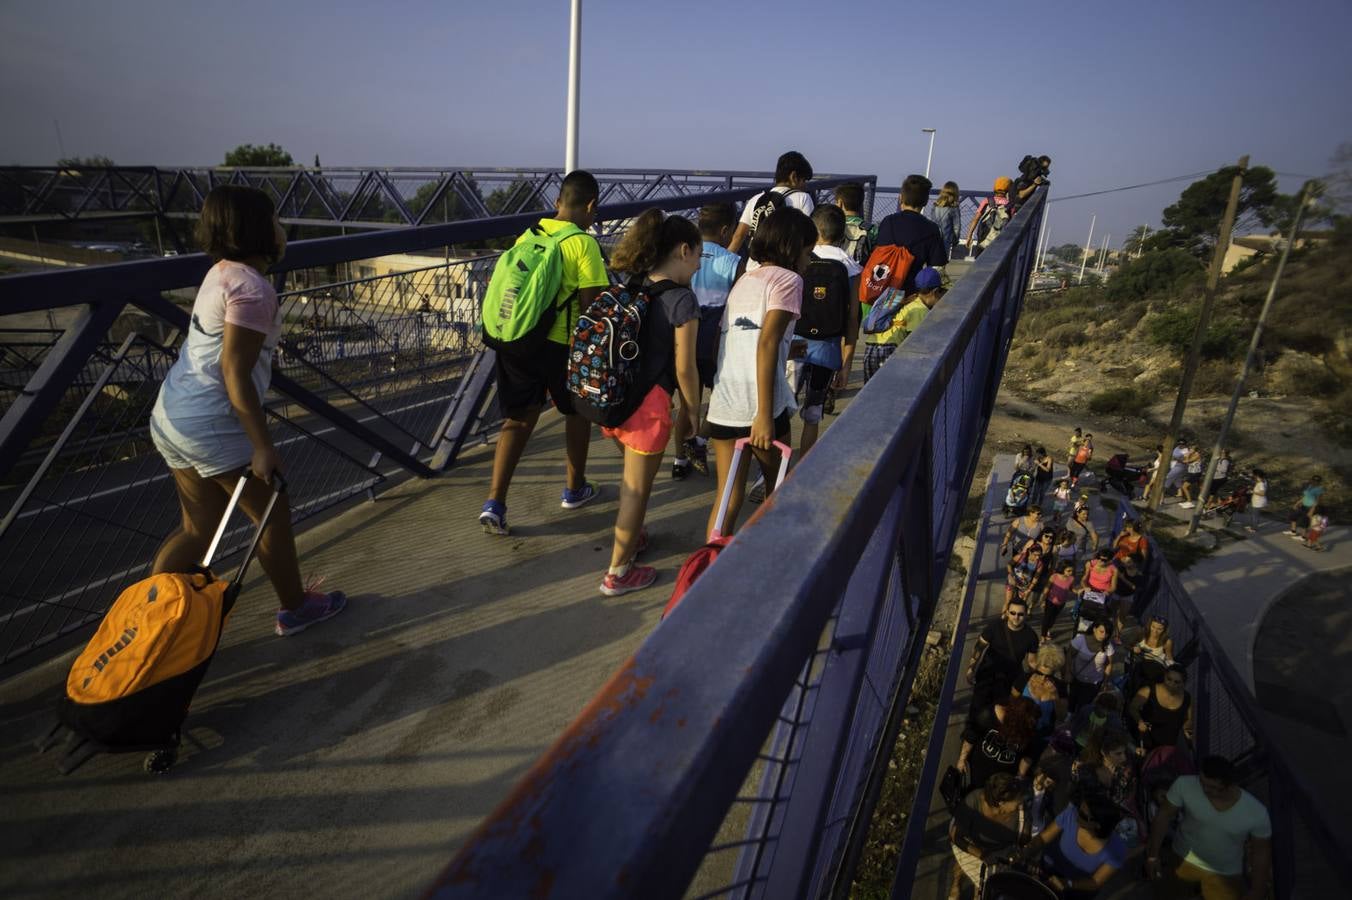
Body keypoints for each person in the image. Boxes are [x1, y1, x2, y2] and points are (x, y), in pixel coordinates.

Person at [149, 185, 346, 637]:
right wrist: (262, 447)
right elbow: (235, 373)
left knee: (198, 531)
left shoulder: (221, 273)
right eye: (275, 219)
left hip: (172, 413)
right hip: (213, 421)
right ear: (256, 230)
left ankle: (150, 615)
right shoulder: (254, 290)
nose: (281, 228)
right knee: (272, 513)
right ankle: (296, 609)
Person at [479, 170, 607, 535]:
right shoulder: (583, 244)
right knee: (576, 412)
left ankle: (495, 501)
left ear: (557, 202)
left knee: (517, 419)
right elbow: (591, 307)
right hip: (559, 346)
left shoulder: (530, 233)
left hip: (517, 338)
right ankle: (574, 488)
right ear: (591, 206)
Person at [596, 211, 703, 596]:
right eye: (698, 258)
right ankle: (619, 572)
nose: (698, 266)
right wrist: (693, 409)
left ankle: (634, 536)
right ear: (684, 250)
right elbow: (685, 368)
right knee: (635, 491)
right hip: (650, 406)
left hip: (616, 396)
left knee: (632, 484)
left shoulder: (633, 284)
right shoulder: (682, 301)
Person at [704, 208, 815, 538]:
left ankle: (710, 567)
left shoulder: (744, 281)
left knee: (727, 497)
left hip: (725, 402)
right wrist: (764, 415)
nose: (808, 262)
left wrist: (788, 348)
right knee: (776, 492)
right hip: (762, 404)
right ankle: (767, 562)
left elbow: (734, 339)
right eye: (808, 253)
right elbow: (766, 342)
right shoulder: (790, 280)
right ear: (792, 248)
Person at [671, 202, 740, 481]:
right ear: (726, 230)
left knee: (688, 402)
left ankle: (678, 460)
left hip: (685, 336)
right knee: (723, 397)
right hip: (715, 340)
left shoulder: (686, 257)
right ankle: (700, 440)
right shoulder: (733, 262)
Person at [1145, 755, 1272, 900]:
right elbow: (1163, 816)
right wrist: (1152, 856)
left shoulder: (1256, 813)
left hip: (1225, 874)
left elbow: (1261, 853)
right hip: (1182, 859)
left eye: (1212, 787)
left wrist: (1257, 890)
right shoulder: (1184, 785)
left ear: (1229, 785)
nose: (1205, 789)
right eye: (1202, 782)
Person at [796, 205, 862, 456]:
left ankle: (768, 475)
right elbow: (852, 317)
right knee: (812, 414)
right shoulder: (851, 267)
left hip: (794, 345)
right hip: (828, 348)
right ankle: (801, 470)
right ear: (842, 233)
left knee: (781, 409)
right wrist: (845, 365)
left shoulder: (801, 256)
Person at [1024, 790, 1127, 898]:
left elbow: (1095, 882)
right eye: (1079, 809)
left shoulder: (1117, 850)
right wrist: (1027, 851)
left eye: (1082, 815)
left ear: (1097, 825)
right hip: (1047, 871)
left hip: (1077, 889)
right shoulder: (1071, 814)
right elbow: (1043, 838)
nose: (1077, 815)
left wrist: (1068, 883)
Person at [947, 772, 1030, 900]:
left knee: (982, 890)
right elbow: (956, 837)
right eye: (1017, 800)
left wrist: (1019, 853)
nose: (1021, 802)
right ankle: (956, 884)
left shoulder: (1022, 813)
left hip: (1001, 851)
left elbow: (1024, 842)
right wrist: (983, 855)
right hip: (971, 843)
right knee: (962, 866)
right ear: (1001, 802)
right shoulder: (973, 802)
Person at [860, 266, 942, 382]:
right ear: (934, 291)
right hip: (887, 349)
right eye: (941, 293)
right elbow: (915, 342)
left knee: (871, 392)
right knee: (889, 392)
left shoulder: (906, 301)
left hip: (872, 347)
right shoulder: (920, 309)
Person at [727, 150, 814, 255]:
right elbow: (808, 236)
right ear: (793, 177)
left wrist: (726, 263)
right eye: (804, 180)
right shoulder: (803, 198)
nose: (805, 186)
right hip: (784, 266)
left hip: (754, 266)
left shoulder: (756, 199)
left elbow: (738, 236)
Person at [874, 174, 949, 291]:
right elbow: (937, 267)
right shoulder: (931, 229)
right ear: (925, 202)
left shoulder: (887, 221)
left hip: (880, 286)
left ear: (901, 197)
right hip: (909, 291)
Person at [957, 695, 1040, 789]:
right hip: (980, 769)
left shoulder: (1029, 728)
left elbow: (1028, 755)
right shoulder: (989, 715)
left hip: (1004, 777)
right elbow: (971, 735)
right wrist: (962, 759)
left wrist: (1019, 776)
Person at [1130, 663, 1194, 752]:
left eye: (1177, 682)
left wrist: (1187, 730)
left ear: (1183, 683)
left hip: (1169, 745)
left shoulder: (1187, 698)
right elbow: (1133, 708)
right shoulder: (1148, 691)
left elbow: (1188, 719)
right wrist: (1140, 721)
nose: (1171, 684)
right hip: (1146, 741)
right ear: (1164, 677)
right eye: (1169, 679)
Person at [1021, 642, 1067, 741]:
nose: (1043, 678)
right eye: (1039, 673)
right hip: (1021, 730)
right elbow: (1012, 702)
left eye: (1049, 676)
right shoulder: (1025, 678)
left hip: (1043, 734)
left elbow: (1062, 716)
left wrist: (1055, 695)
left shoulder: (1060, 686)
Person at [1067, 620, 1116, 712]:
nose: (1104, 635)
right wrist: (1068, 673)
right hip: (1077, 679)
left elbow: (1109, 664)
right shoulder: (1080, 640)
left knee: (1084, 706)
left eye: (1107, 633)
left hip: (1094, 683)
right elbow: (1069, 656)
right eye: (1101, 631)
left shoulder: (1108, 647)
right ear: (1094, 629)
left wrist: (1105, 682)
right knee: (1072, 702)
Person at [965, 178, 1013, 259]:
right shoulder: (1010, 204)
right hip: (1000, 241)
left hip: (984, 238)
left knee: (980, 260)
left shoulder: (987, 201)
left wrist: (969, 235)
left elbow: (975, 219)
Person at [834, 181, 877, 267]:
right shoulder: (872, 229)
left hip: (835, 272)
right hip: (860, 275)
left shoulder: (833, 225)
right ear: (861, 202)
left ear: (840, 203)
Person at [1006, 542, 1048, 615]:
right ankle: (1005, 616)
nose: (1037, 557)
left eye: (1039, 555)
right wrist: (1011, 575)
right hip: (1012, 581)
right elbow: (1009, 564)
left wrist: (1029, 589)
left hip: (1024, 585)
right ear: (1030, 552)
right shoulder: (1020, 556)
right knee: (1008, 602)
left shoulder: (1039, 564)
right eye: (1035, 555)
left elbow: (1035, 578)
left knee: (1020, 605)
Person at [1040, 560, 1077, 640]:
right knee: (1047, 618)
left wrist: (1078, 591)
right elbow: (1046, 589)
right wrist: (1043, 600)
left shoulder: (1071, 579)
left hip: (1061, 603)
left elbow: (1071, 588)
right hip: (1050, 601)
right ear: (1062, 569)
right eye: (1068, 571)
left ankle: (1048, 630)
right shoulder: (1054, 576)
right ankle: (1043, 635)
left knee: (1053, 618)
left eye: (1071, 571)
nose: (1070, 572)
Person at [926, 180, 962, 260]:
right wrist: (956, 239)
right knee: (942, 260)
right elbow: (957, 226)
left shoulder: (935, 205)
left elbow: (931, 221)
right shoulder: (954, 208)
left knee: (932, 258)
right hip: (946, 238)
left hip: (933, 237)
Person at [1242, 468, 1268, 532]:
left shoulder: (1261, 483)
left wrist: (1252, 491)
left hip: (1258, 501)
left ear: (1256, 475)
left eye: (1253, 474)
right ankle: (1253, 525)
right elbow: (1257, 484)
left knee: (1255, 515)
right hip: (1256, 501)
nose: (1252, 475)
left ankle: (1254, 528)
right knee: (1251, 512)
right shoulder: (1263, 480)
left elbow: (1262, 493)